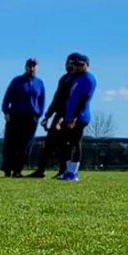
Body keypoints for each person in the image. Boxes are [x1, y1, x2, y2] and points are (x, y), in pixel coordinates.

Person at [0, 58, 45, 177]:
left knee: (25, 145)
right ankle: (7, 168)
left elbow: (42, 101)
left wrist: (39, 114)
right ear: (25, 67)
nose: (32, 68)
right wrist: (6, 112)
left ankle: (18, 169)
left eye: (34, 66)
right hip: (16, 116)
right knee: (11, 143)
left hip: (31, 118)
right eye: (30, 66)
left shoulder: (39, 83)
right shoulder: (17, 81)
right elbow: (7, 98)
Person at [29, 57, 73, 178]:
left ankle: (63, 171)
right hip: (58, 114)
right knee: (49, 144)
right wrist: (48, 116)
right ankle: (41, 170)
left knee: (64, 145)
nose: (67, 65)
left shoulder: (76, 80)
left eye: (69, 62)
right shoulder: (64, 78)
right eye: (67, 62)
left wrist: (64, 117)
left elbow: (72, 101)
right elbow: (57, 98)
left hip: (68, 116)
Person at [56, 53, 96, 181]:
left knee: (75, 143)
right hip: (69, 115)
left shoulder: (88, 79)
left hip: (80, 116)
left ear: (86, 65)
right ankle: (68, 170)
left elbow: (84, 99)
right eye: (76, 64)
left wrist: (74, 117)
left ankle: (74, 172)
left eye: (81, 65)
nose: (78, 67)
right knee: (67, 144)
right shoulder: (75, 77)